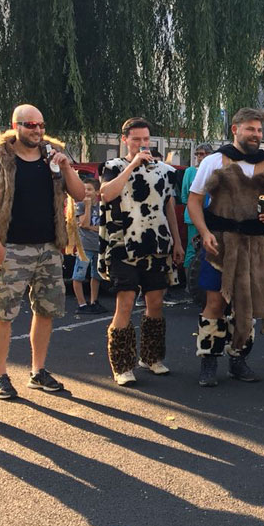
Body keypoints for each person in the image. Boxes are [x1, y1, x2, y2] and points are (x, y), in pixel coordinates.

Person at [0, 104, 85, 399]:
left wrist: (66, 167)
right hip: (11, 246)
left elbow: (79, 194)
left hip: (49, 247)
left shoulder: (53, 154)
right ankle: (0, 375)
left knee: (46, 311)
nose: (37, 130)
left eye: (41, 125)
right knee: (4, 313)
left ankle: (38, 371)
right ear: (16, 126)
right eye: (30, 125)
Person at [187, 108, 264, 385]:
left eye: (259, 130)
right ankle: (209, 360)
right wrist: (204, 232)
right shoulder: (215, 161)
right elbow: (194, 201)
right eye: (250, 129)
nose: (256, 135)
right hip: (219, 244)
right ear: (235, 130)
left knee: (247, 303)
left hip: (253, 247)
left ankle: (238, 359)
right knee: (215, 302)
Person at [98, 118, 184, 385]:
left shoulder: (165, 171)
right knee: (125, 302)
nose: (142, 144)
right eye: (136, 139)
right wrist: (133, 165)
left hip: (156, 243)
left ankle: (152, 356)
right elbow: (106, 194)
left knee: (155, 303)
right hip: (123, 243)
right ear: (125, 140)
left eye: (146, 139)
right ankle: (122, 364)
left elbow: (169, 207)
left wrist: (177, 242)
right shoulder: (113, 166)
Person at [72, 177, 106, 314]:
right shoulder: (80, 205)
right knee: (78, 275)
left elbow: (103, 227)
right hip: (85, 246)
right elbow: (84, 223)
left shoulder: (101, 206)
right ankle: (81, 304)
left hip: (98, 245)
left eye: (90, 189)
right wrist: (87, 207)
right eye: (84, 189)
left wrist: (91, 227)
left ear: (97, 192)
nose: (86, 192)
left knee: (96, 275)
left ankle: (94, 301)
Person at [181, 144, 213, 275]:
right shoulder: (190, 171)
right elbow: (184, 195)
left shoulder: (214, 171)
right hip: (193, 215)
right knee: (192, 247)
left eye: (204, 154)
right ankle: (189, 281)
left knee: (210, 246)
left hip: (211, 215)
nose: (201, 157)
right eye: (198, 154)